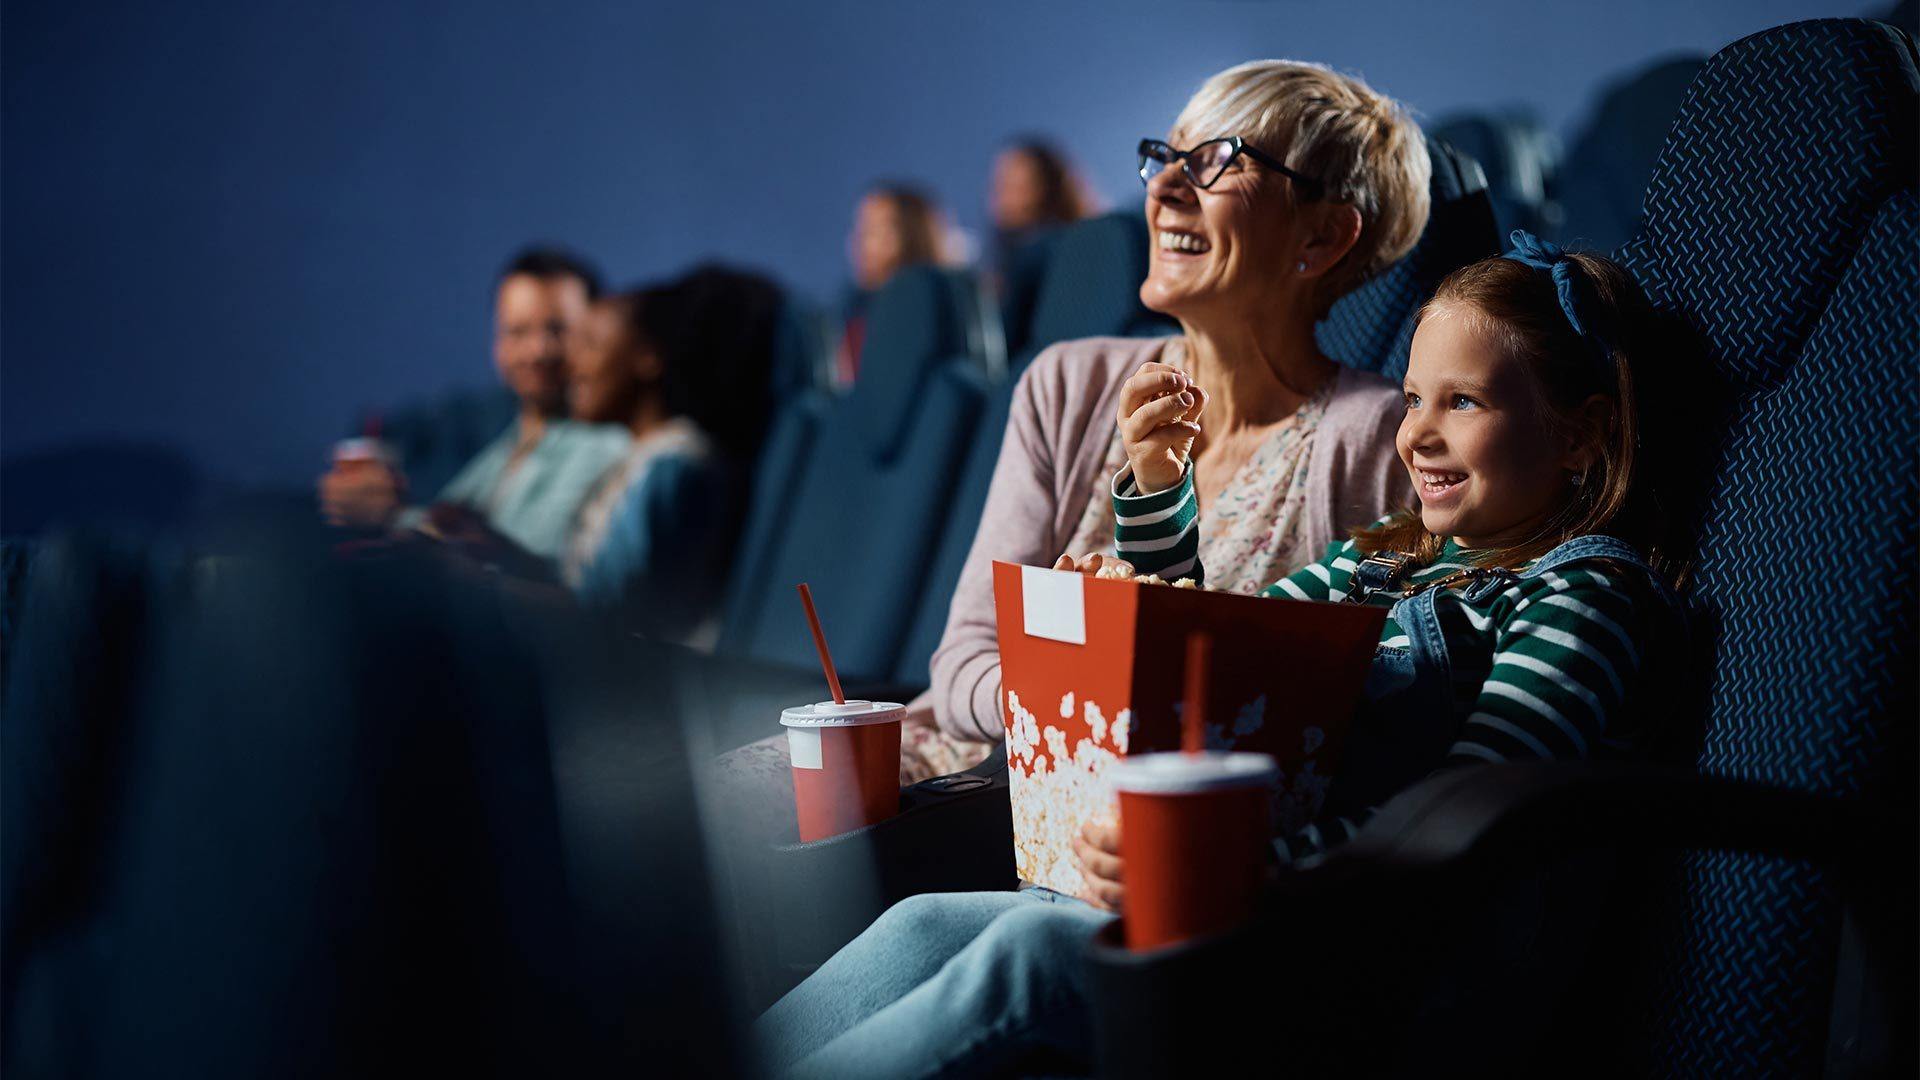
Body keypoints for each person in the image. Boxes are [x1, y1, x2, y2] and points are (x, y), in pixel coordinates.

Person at [752, 234, 1689, 1078]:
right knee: (923, 923)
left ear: (1583, 434)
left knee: (1028, 961)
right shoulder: (1382, 557)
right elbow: (1226, 647)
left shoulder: (1582, 593)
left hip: (1366, 949)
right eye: (1412, 398)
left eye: (1465, 401)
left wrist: (1231, 864)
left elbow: (1466, 812)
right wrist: (1138, 567)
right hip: (1244, 906)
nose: (1419, 433)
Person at [318, 247, 630, 560]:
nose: (537, 351)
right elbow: (448, 525)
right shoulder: (511, 441)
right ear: (497, 341)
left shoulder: (602, 444)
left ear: (597, 332)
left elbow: (526, 563)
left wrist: (390, 516)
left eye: (557, 330)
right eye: (517, 332)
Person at [559, 266, 783, 641]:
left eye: (592, 345)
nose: (573, 365)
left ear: (647, 358)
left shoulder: (676, 466)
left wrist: (491, 586)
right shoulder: (648, 456)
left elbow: (603, 606)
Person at [834, 183, 954, 386]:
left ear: (912, 236)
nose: (859, 243)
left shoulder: (930, 319)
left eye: (873, 231)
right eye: (860, 229)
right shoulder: (854, 312)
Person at [987, 137, 1097, 349]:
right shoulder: (1014, 252)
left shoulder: (1037, 253)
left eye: (1016, 186)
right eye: (1000, 185)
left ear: (1047, 189)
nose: (1002, 196)